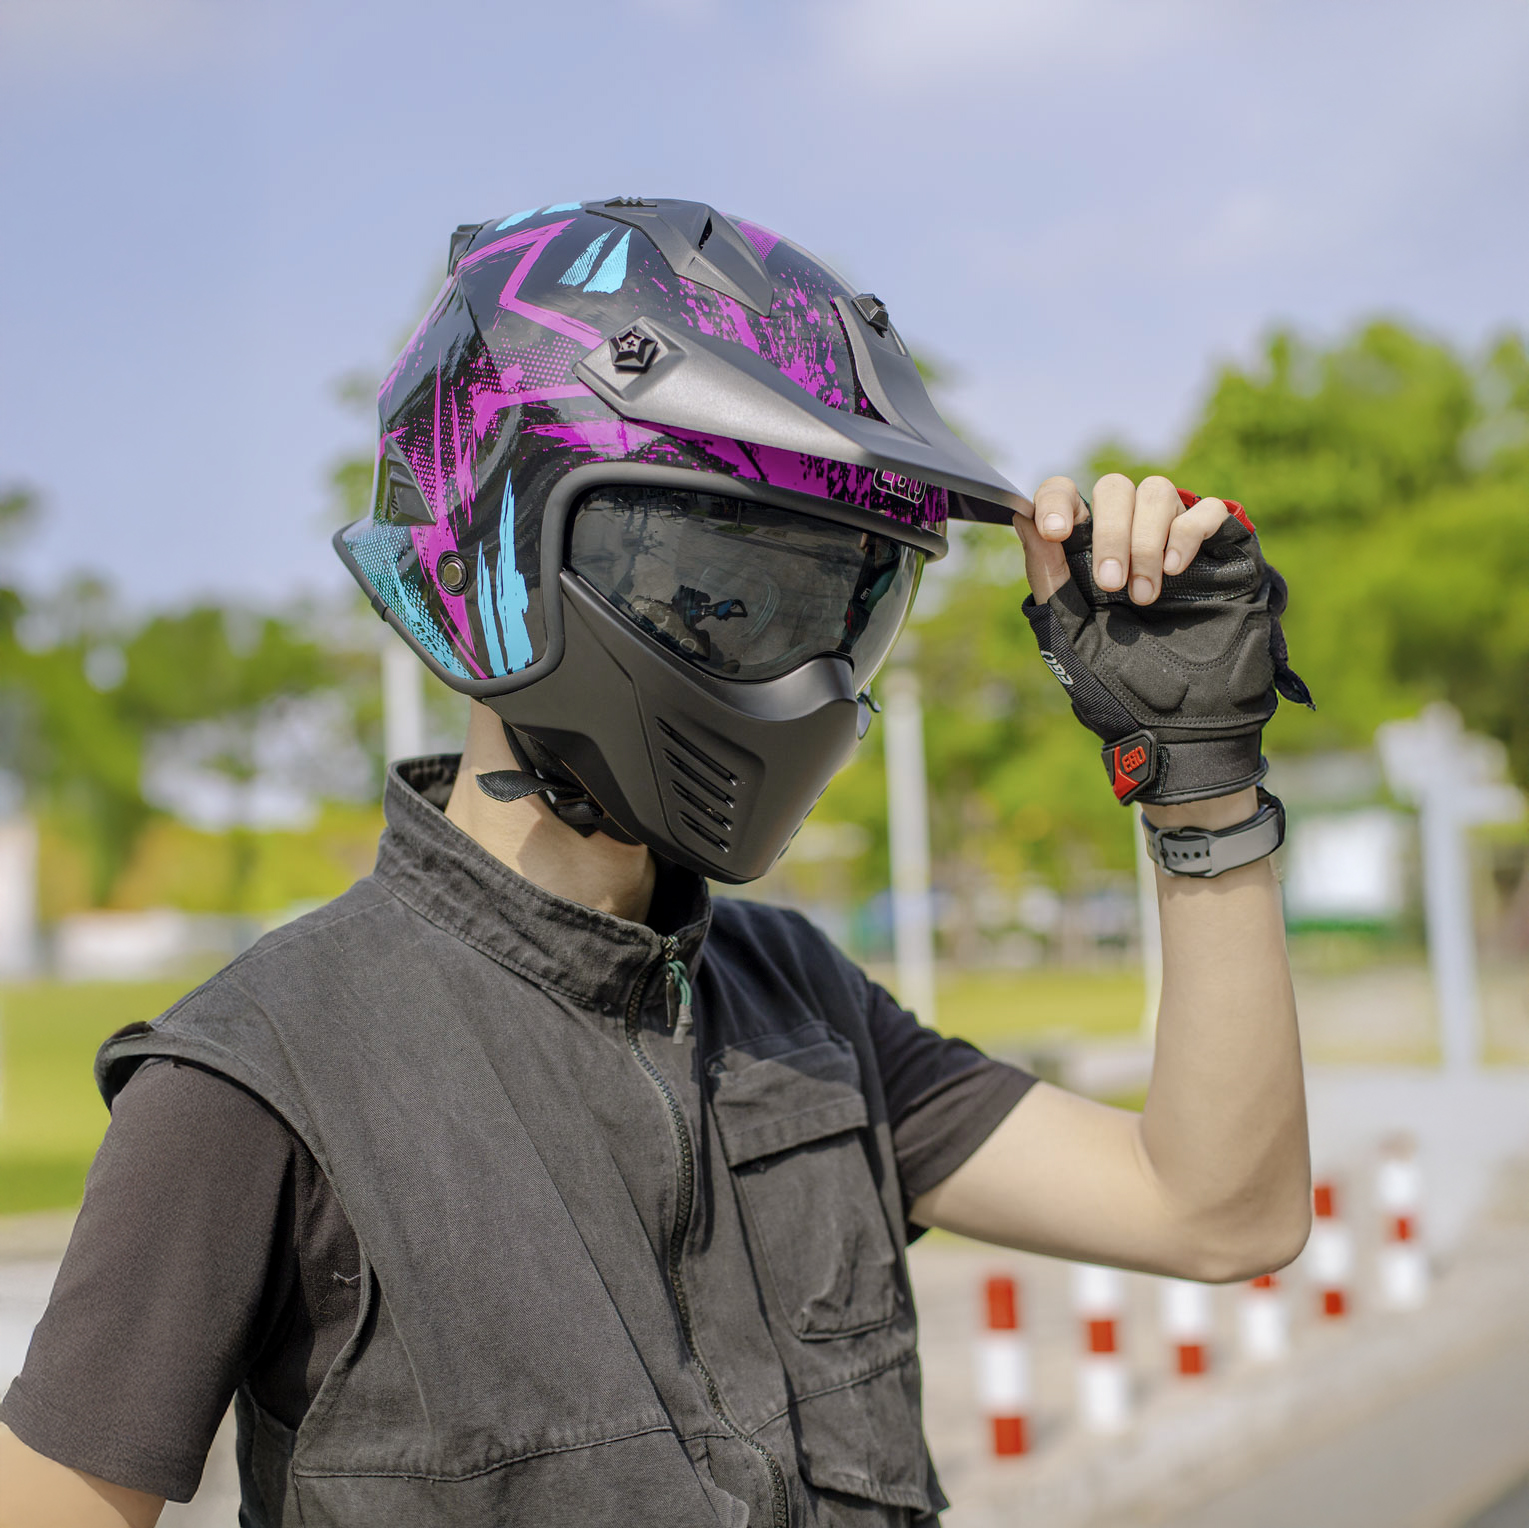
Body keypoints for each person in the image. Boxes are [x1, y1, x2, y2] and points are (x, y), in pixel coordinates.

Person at [0, 199, 1311, 1528]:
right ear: (507, 541)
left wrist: (1198, 777)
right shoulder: (262, 1073)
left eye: (841, 597)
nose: (804, 669)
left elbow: (1220, 1213)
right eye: (719, 590)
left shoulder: (796, 1002)